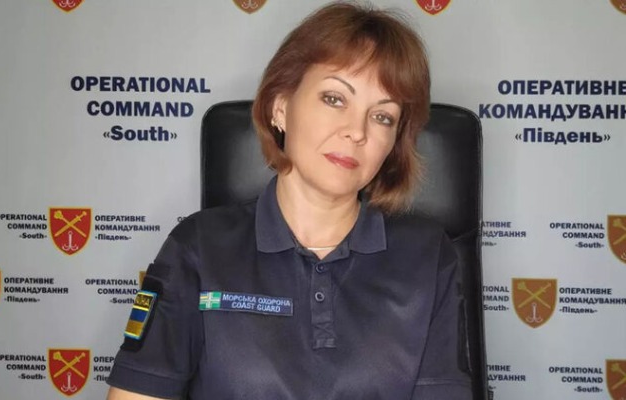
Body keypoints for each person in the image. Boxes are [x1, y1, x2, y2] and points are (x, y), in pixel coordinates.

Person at [106, 2, 472, 399]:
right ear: (281, 107)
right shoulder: (198, 247)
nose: (357, 131)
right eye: (335, 98)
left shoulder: (428, 256)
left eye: (382, 116)